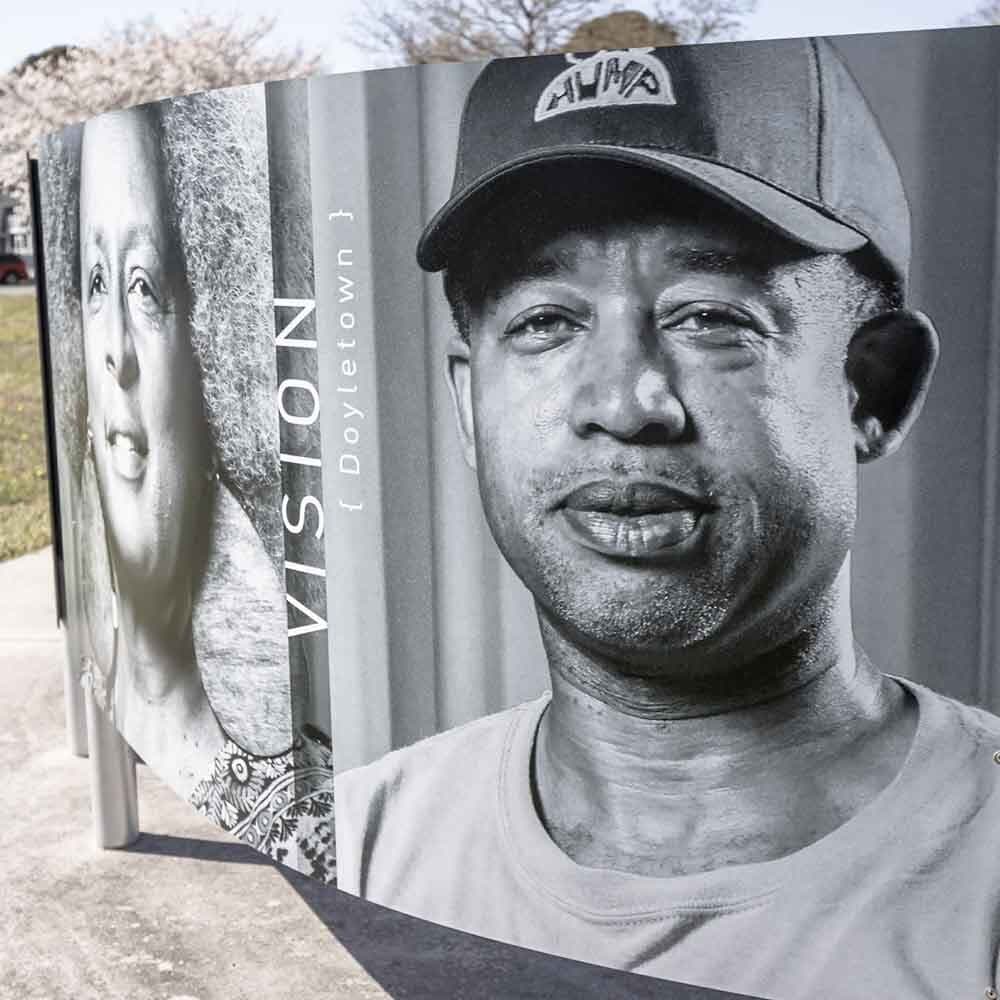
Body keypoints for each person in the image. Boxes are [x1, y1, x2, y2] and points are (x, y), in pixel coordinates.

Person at [334, 39, 1000, 996]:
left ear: (874, 387)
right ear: (468, 404)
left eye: (711, 317)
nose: (625, 400)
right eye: (545, 322)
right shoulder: (359, 844)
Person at [44, 95, 334, 881]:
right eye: (96, 284)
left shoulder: (304, 793)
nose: (116, 355)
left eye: (145, 288)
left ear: (204, 347)